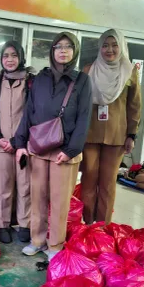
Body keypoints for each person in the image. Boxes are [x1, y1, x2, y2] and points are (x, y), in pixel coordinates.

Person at [14, 32, 92, 260]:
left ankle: (55, 245)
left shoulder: (82, 80)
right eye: (59, 46)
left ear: (74, 51)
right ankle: (37, 240)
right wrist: (20, 143)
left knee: (59, 201)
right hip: (39, 148)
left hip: (64, 152)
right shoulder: (40, 78)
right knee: (37, 196)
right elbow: (28, 111)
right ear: (52, 51)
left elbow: (84, 117)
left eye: (69, 47)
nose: (63, 50)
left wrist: (70, 151)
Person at [81, 29, 141, 225]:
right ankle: (87, 225)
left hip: (117, 137)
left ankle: (102, 228)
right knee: (88, 181)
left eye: (114, 45)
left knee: (107, 184)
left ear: (121, 46)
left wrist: (132, 134)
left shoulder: (129, 71)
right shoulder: (89, 70)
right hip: (89, 135)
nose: (110, 50)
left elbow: (134, 106)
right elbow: (80, 104)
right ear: (100, 47)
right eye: (105, 45)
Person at [0, 41, 34, 244]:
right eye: (6, 56)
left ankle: (24, 225)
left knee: (25, 186)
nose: (10, 59)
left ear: (21, 57)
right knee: (3, 187)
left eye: (14, 55)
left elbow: (33, 114)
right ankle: (3, 224)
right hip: (1, 146)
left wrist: (17, 140)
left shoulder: (31, 82)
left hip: (23, 146)